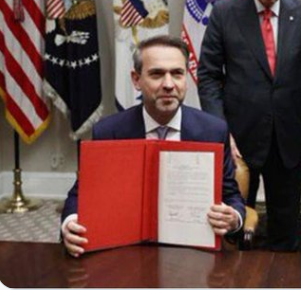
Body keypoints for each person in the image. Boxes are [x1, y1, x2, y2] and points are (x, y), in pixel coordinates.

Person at [61, 35, 245, 257]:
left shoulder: (213, 131)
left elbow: (231, 195)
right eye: (157, 74)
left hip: (192, 252)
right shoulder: (108, 132)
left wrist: (234, 218)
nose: (168, 84)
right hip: (126, 250)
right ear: (136, 79)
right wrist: (70, 224)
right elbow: (80, 194)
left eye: (177, 73)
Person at [198, 0, 301, 251]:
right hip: (238, 139)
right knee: (236, 230)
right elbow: (209, 76)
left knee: (287, 233)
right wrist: (221, 132)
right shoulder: (225, 13)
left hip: (288, 138)